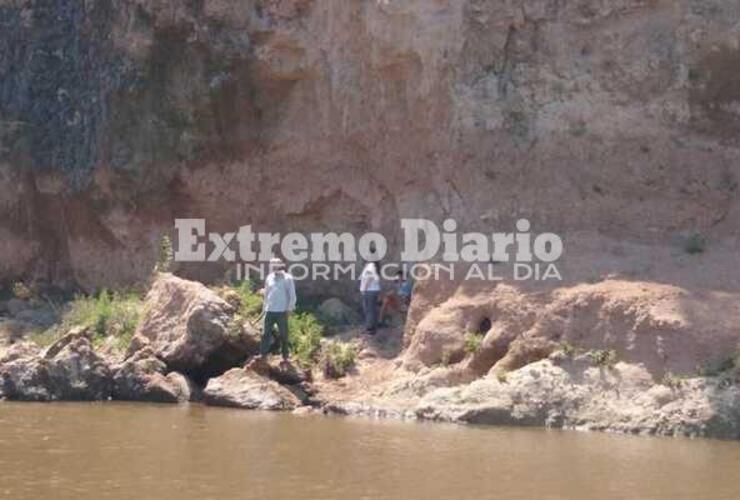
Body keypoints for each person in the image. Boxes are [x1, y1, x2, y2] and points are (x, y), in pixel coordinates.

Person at [259, 257, 296, 361]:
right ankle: (263, 355)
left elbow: (292, 296)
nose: (274, 268)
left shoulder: (288, 278)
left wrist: (290, 309)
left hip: (281, 311)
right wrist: (263, 310)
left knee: (284, 335)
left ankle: (285, 356)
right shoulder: (269, 277)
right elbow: (266, 295)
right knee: (265, 333)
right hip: (269, 310)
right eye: (272, 266)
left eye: (276, 265)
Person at [359, 260, 381, 335]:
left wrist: (364, 289)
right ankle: (372, 327)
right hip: (373, 290)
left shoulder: (370, 265)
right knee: (372, 309)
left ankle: (370, 328)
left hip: (369, 290)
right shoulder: (373, 265)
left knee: (369, 309)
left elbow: (369, 277)